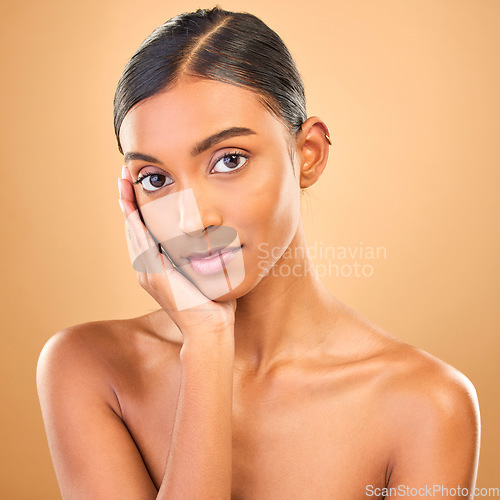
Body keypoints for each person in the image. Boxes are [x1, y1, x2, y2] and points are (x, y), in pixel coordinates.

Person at [36, 6, 480, 499]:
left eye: (229, 160)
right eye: (155, 179)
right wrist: (206, 342)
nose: (193, 220)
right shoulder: (90, 369)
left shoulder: (424, 404)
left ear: (307, 154)